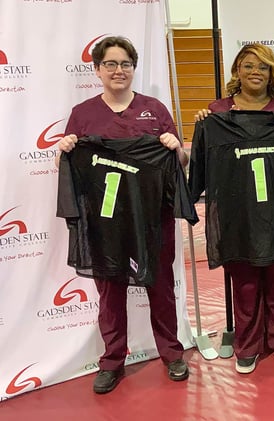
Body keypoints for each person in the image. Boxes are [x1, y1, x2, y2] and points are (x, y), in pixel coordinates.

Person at [56, 36, 191, 394]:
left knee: (160, 288)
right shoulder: (83, 114)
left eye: (126, 64)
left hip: (151, 219)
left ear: (134, 68)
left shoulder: (155, 109)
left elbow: (179, 164)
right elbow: (67, 167)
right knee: (110, 294)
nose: (119, 71)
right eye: (111, 64)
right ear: (98, 70)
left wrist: (176, 149)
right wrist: (65, 149)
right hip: (104, 223)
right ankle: (112, 361)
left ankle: (172, 354)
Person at [193, 43, 274, 374]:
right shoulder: (216, 113)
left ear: (271, 72)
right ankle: (248, 344)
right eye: (248, 66)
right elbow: (201, 167)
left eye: (262, 66)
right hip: (238, 215)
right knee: (245, 285)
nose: (255, 72)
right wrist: (204, 124)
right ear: (237, 71)